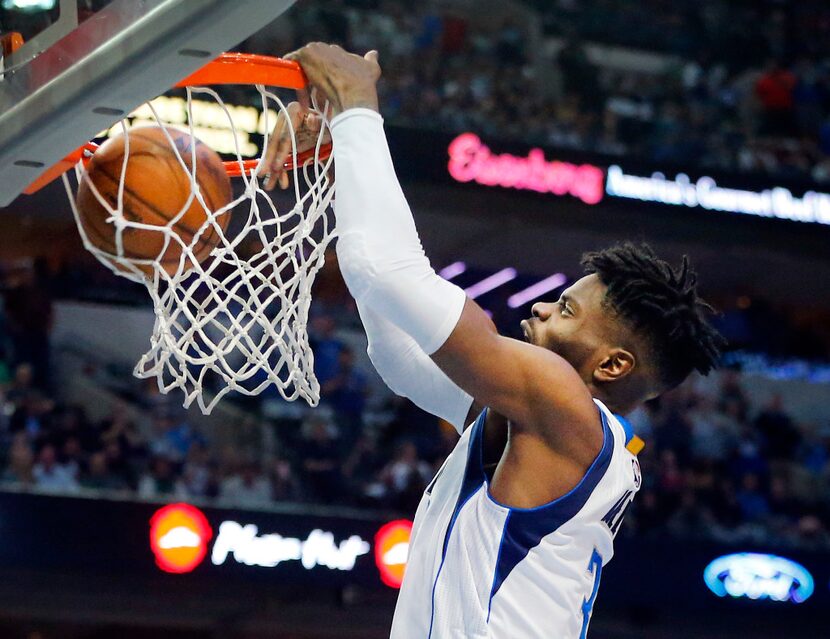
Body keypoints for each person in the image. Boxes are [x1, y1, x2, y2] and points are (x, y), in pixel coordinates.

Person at [264, 44, 723, 639]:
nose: (537, 307)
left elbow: (385, 269)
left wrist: (355, 103)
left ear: (611, 364)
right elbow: (397, 347)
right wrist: (338, 152)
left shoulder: (564, 405)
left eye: (565, 309)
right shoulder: (537, 424)